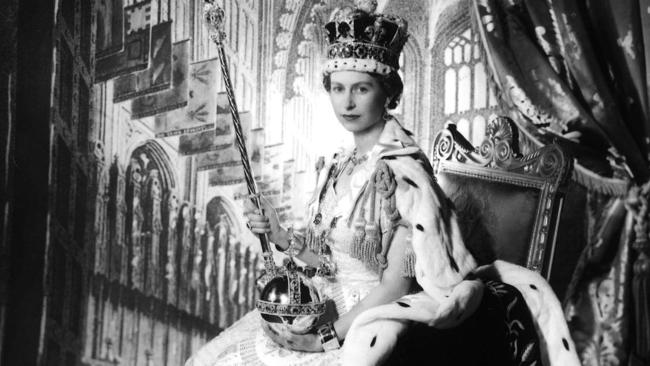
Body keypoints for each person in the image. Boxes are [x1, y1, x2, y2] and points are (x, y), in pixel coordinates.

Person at [187, 3, 579, 366]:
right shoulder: (339, 165)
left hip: (366, 318)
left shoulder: (405, 176)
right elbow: (327, 262)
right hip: (323, 299)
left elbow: (395, 287)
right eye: (338, 89)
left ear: (387, 92)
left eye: (361, 88)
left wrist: (323, 339)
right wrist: (281, 235)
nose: (348, 103)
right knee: (211, 357)